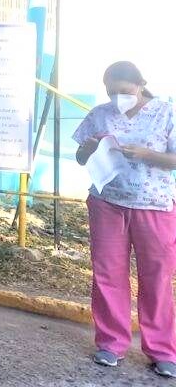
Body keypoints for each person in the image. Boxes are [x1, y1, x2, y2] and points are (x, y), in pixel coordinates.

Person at [74, 61, 176, 378]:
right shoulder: (100, 114)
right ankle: (111, 343)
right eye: (111, 92)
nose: (119, 97)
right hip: (107, 203)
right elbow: (80, 158)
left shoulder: (167, 113)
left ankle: (162, 349)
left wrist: (147, 155)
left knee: (156, 278)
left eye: (125, 91)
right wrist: (90, 149)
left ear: (141, 84)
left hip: (154, 205)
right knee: (107, 274)